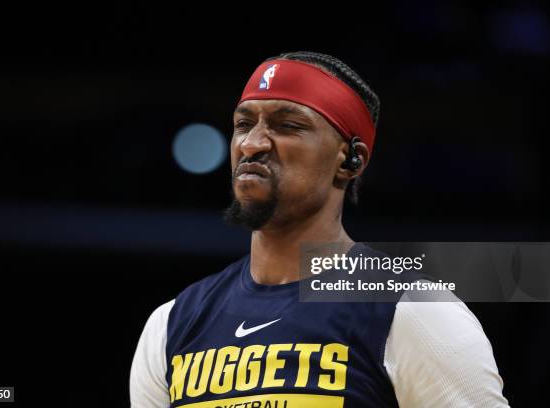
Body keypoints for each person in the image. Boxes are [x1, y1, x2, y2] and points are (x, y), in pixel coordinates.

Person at [130, 51, 509, 407]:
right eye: (243, 124)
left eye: (288, 126)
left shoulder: (414, 311)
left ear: (351, 160)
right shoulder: (171, 322)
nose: (252, 143)